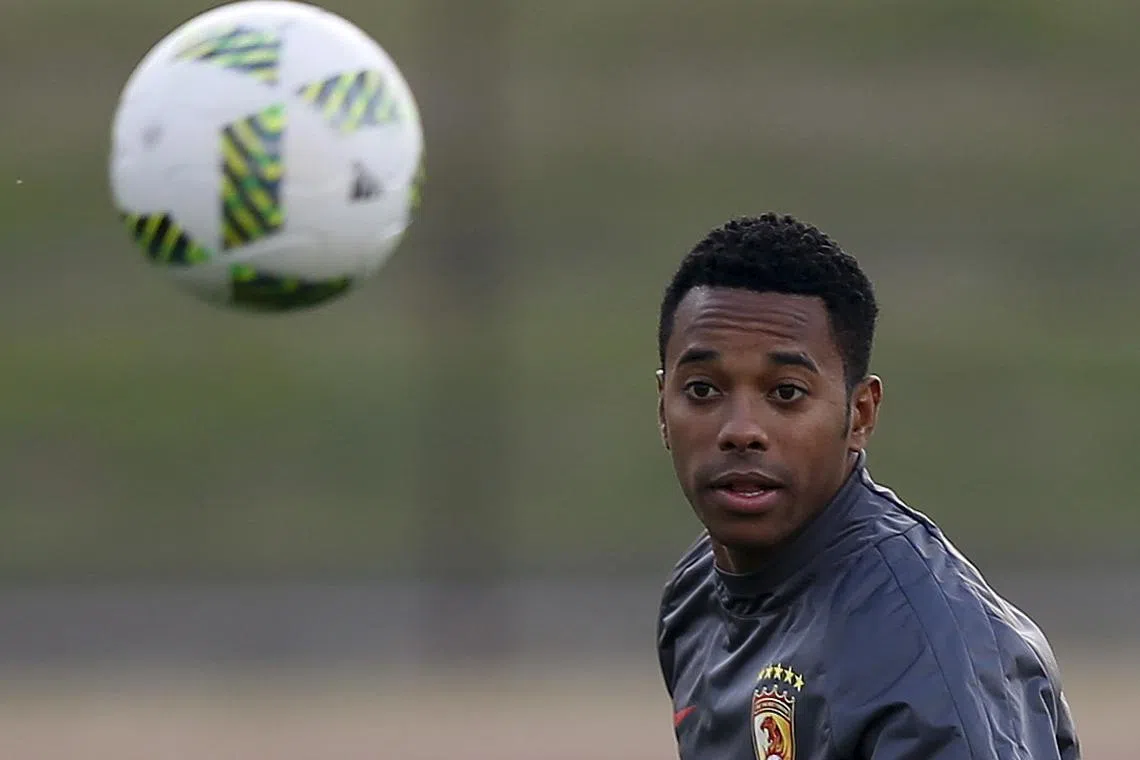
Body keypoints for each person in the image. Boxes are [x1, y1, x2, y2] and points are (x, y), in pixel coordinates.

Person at [654, 213, 1080, 759]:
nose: (741, 430)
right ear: (663, 408)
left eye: (786, 392)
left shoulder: (924, 642)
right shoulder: (694, 595)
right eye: (702, 389)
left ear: (860, 415)